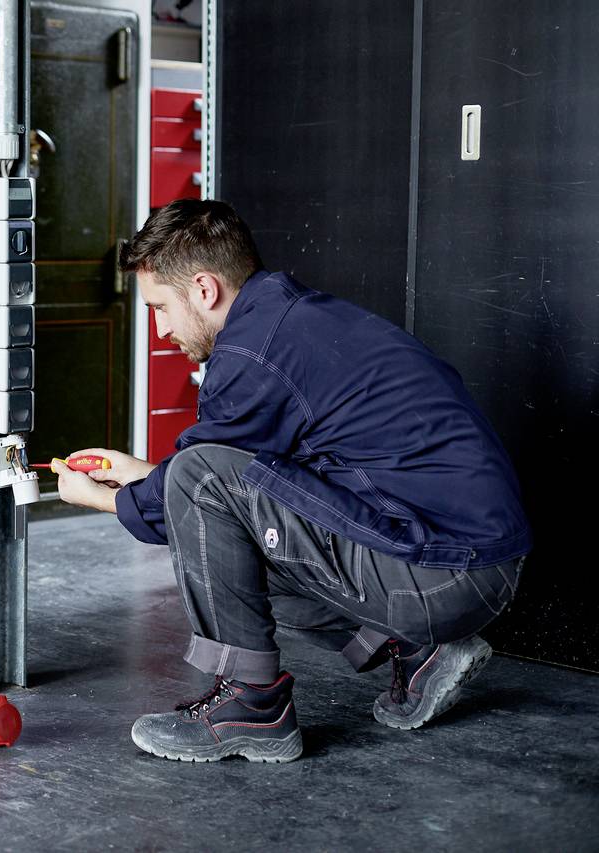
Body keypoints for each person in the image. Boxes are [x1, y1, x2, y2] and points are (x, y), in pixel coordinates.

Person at [52, 199, 531, 764]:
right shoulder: (286, 320)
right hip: (467, 561)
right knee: (216, 499)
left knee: (201, 480)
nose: (161, 330)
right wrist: (140, 474)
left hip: (442, 572)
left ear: (204, 289)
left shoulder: (252, 355)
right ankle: (419, 651)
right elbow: (238, 486)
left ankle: (252, 708)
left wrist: (100, 501)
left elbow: (198, 483)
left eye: (160, 307)